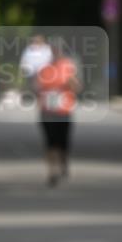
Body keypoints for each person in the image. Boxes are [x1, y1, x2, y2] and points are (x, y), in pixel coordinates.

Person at [36, 39, 81, 186]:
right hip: (48, 111)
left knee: (63, 142)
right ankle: (52, 171)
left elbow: (77, 87)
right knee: (50, 142)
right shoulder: (44, 68)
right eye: (53, 49)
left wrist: (71, 82)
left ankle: (63, 163)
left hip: (64, 110)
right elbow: (37, 87)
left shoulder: (68, 66)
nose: (55, 52)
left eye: (58, 49)